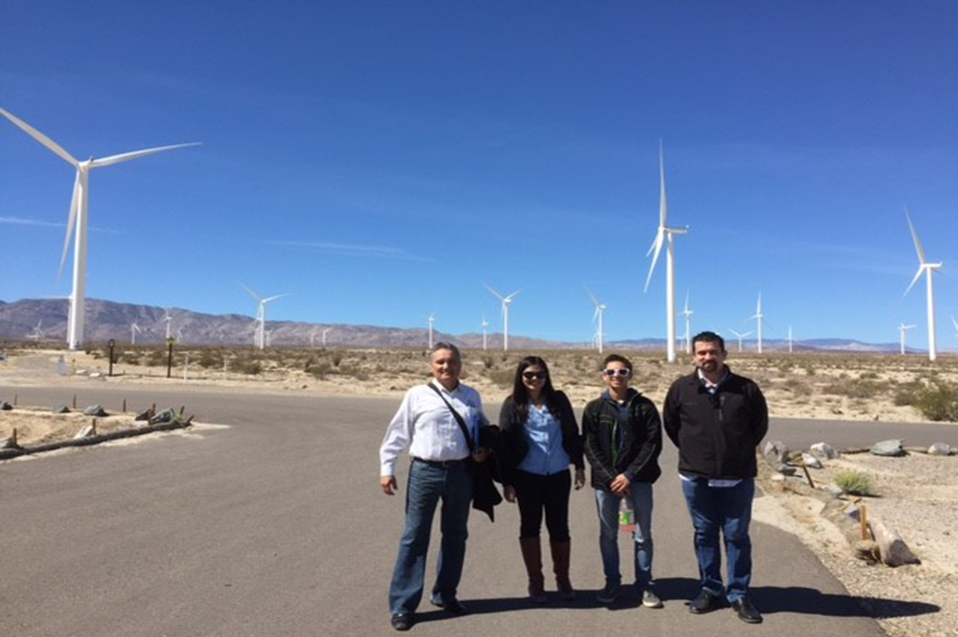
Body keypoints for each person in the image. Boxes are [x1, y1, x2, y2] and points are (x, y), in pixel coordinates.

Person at [380, 342, 490, 632]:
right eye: (440, 362)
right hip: (425, 472)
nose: (446, 367)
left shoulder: (471, 396)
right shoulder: (417, 395)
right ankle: (403, 605)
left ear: (460, 365)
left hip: (461, 473)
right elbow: (397, 432)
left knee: (455, 535)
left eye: (452, 362)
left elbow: (484, 430)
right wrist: (387, 468)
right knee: (414, 537)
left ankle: (446, 594)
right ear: (432, 365)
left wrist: (483, 449)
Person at [663, 331, 769, 624]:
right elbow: (672, 426)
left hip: (738, 477)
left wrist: (735, 452)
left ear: (725, 354)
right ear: (693, 355)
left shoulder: (746, 389)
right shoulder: (681, 389)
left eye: (713, 352)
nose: (707, 358)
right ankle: (710, 588)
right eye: (701, 353)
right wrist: (696, 455)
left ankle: (739, 594)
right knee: (704, 534)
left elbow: (759, 426)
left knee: (737, 536)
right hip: (697, 478)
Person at [498, 356, 585, 603]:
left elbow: (571, 432)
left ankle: (563, 578)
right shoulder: (512, 404)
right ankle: (536, 581)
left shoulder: (559, 400)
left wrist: (579, 465)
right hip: (527, 475)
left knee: (559, 527)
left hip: (558, 473)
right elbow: (504, 445)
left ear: (547, 376)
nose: (534, 379)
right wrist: (507, 481)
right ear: (520, 377)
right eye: (528, 375)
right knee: (530, 526)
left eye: (539, 374)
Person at [582, 353, 663, 608]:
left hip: (638, 481)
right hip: (606, 485)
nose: (616, 376)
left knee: (642, 534)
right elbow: (590, 445)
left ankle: (645, 584)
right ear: (603, 376)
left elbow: (653, 444)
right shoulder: (594, 409)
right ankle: (612, 582)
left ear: (630, 375)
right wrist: (611, 477)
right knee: (608, 534)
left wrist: (629, 475)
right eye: (611, 372)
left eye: (622, 372)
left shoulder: (644, 406)